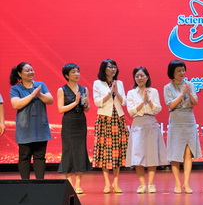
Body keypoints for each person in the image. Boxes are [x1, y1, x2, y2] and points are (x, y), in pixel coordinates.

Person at [126, 67, 167, 194]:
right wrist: (142, 102)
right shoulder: (131, 93)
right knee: (138, 154)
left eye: (142, 75)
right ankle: (142, 184)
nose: (139, 78)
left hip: (151, 122)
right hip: (138, 123)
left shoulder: (153, 91)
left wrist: (148, 101)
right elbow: (131, 111)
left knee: (152, 153)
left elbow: (157, 109)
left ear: (147, 77)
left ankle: (151, 184)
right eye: (136, 76)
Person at [9, 62, 53, 179]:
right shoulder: (15, 88)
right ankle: (25, 184)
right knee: (24, 157)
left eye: (32, 70)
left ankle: (40, 184)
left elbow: (50, 100)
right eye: (27, 70)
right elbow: (16, 104)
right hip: (25, 128)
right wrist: (32, 94)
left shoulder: (40, 85)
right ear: (20, 74)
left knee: (40, 157)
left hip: (40, 127)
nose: (31, 72)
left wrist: (39, 94)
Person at [164, 60, 201, 194]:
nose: (182, 73)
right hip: (176, 119)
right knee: (175, 153)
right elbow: (171, 105)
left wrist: (189, 92)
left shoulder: (190, 84)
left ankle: (186, 183)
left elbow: (195, 102)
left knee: (188, 153)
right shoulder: (168, 87)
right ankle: (177, 184)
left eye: (183, 70)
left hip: (189, 119)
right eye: (179, 70)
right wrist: (181, 94)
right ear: (172, 72)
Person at [93, 59, 129, 194]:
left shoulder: (119, 83)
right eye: (110, 67)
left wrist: (116, 91)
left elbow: (124, 102)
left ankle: (116, 183)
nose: (113, 69)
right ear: (104, 69)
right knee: (105, 151)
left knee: (117, 151)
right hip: (104, 118)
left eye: (114, 67)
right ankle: (107, 183)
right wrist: (110, 92)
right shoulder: (97, 83)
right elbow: (97, 102)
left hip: (118, 117)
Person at [57, 63, 92, 194]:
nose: (77, 74)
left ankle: (78, 184)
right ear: (67, 75)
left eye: (78, 71)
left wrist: (86, 104)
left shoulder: (84, 89)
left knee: (80, 151)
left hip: (81, 121)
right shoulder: (62, 90)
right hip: (68, 122)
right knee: (68, 151)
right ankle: (69, 183)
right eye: (73, 72)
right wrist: (75, 102)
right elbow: (61, 109)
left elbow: (87, 109)